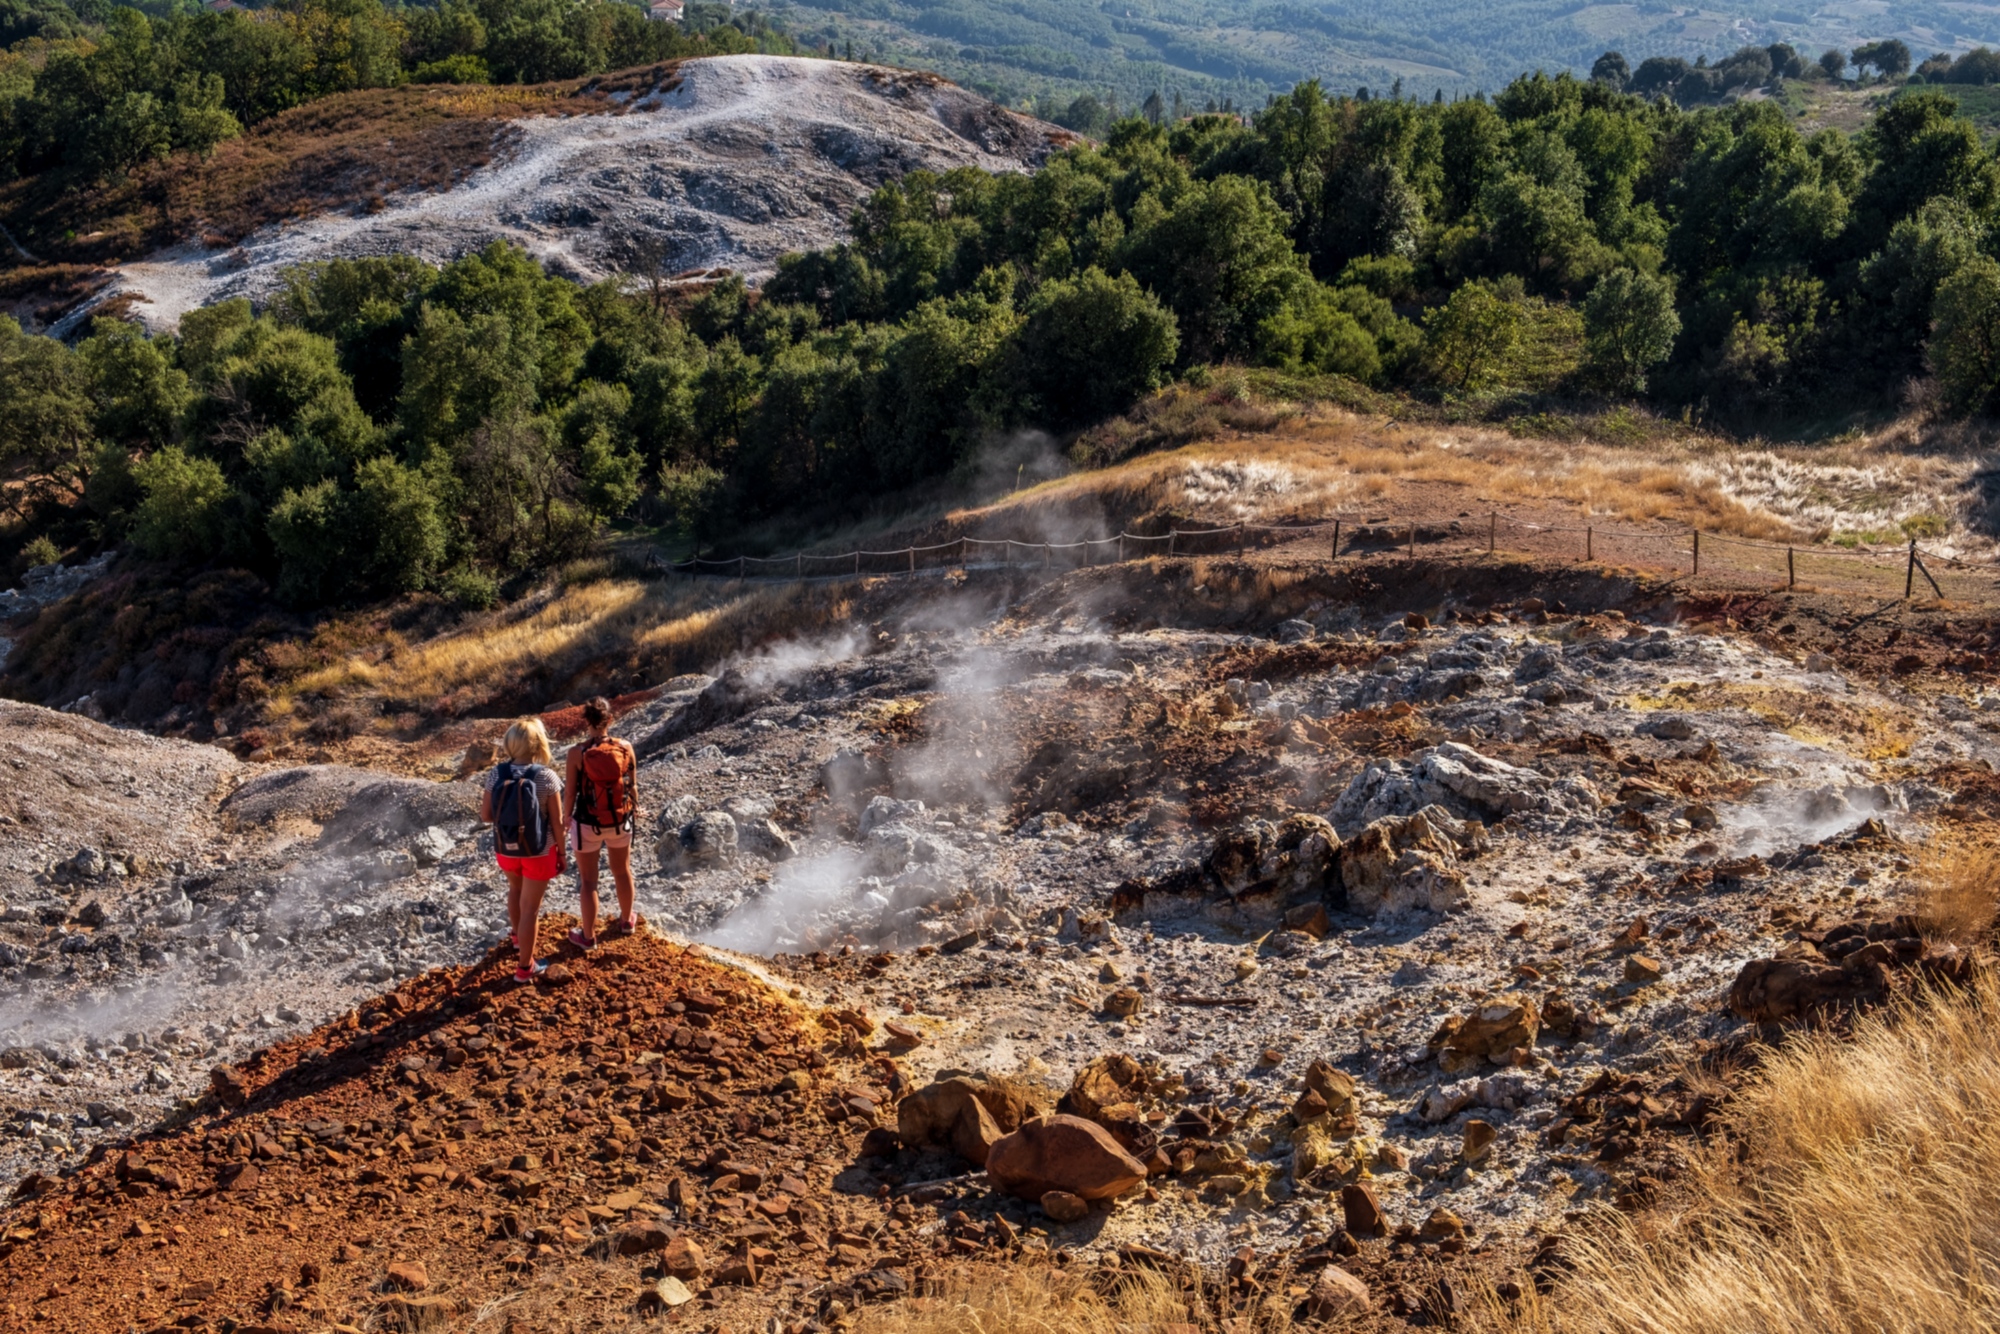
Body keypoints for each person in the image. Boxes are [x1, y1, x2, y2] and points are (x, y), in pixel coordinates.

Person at [480, 717, 566, 984]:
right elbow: (557, 822)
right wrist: (562, 853)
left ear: (510, 743)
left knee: (515, 890)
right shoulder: (546, 776)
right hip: (539, 852)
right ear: (539, 743)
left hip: (506, 848)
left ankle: (517, 939)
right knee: (530, 909)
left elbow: (485, 816)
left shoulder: (496, 774)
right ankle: (525, 968)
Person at [563, 696, 641, 950]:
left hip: (587, 824)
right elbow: (632, 785)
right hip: (620, 819)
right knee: (622, 870)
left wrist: (566, 819)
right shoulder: (625, 747)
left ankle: (587, 937)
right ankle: (627, 921)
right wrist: (635, 808)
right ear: (610, 719)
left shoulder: (577, 753)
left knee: (589, 882)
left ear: (586, 720)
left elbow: (571, 792)